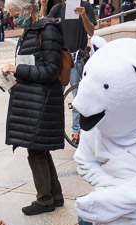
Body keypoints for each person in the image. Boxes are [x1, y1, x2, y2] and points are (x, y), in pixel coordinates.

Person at [2, 0, 65, 216]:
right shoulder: (32, 29)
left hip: (42, 100)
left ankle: (45, 199)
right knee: (39, 149)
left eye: (16, 13)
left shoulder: (47, 30)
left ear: (29, 10)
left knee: (36, 151)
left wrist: (18, 69)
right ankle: (55, 195)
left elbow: (50, 70)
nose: (14, 19)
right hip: (34, 99)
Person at [45, 0, 95, 147]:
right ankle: (54, 130)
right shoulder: (57, 9)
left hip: (77, 59)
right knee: (54, 98)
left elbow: (91, 31)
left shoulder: (85, 6)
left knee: (78, 99)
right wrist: (42, 7)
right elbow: (45, 26)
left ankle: (76, 132)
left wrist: (83, 16)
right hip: (60, 60)